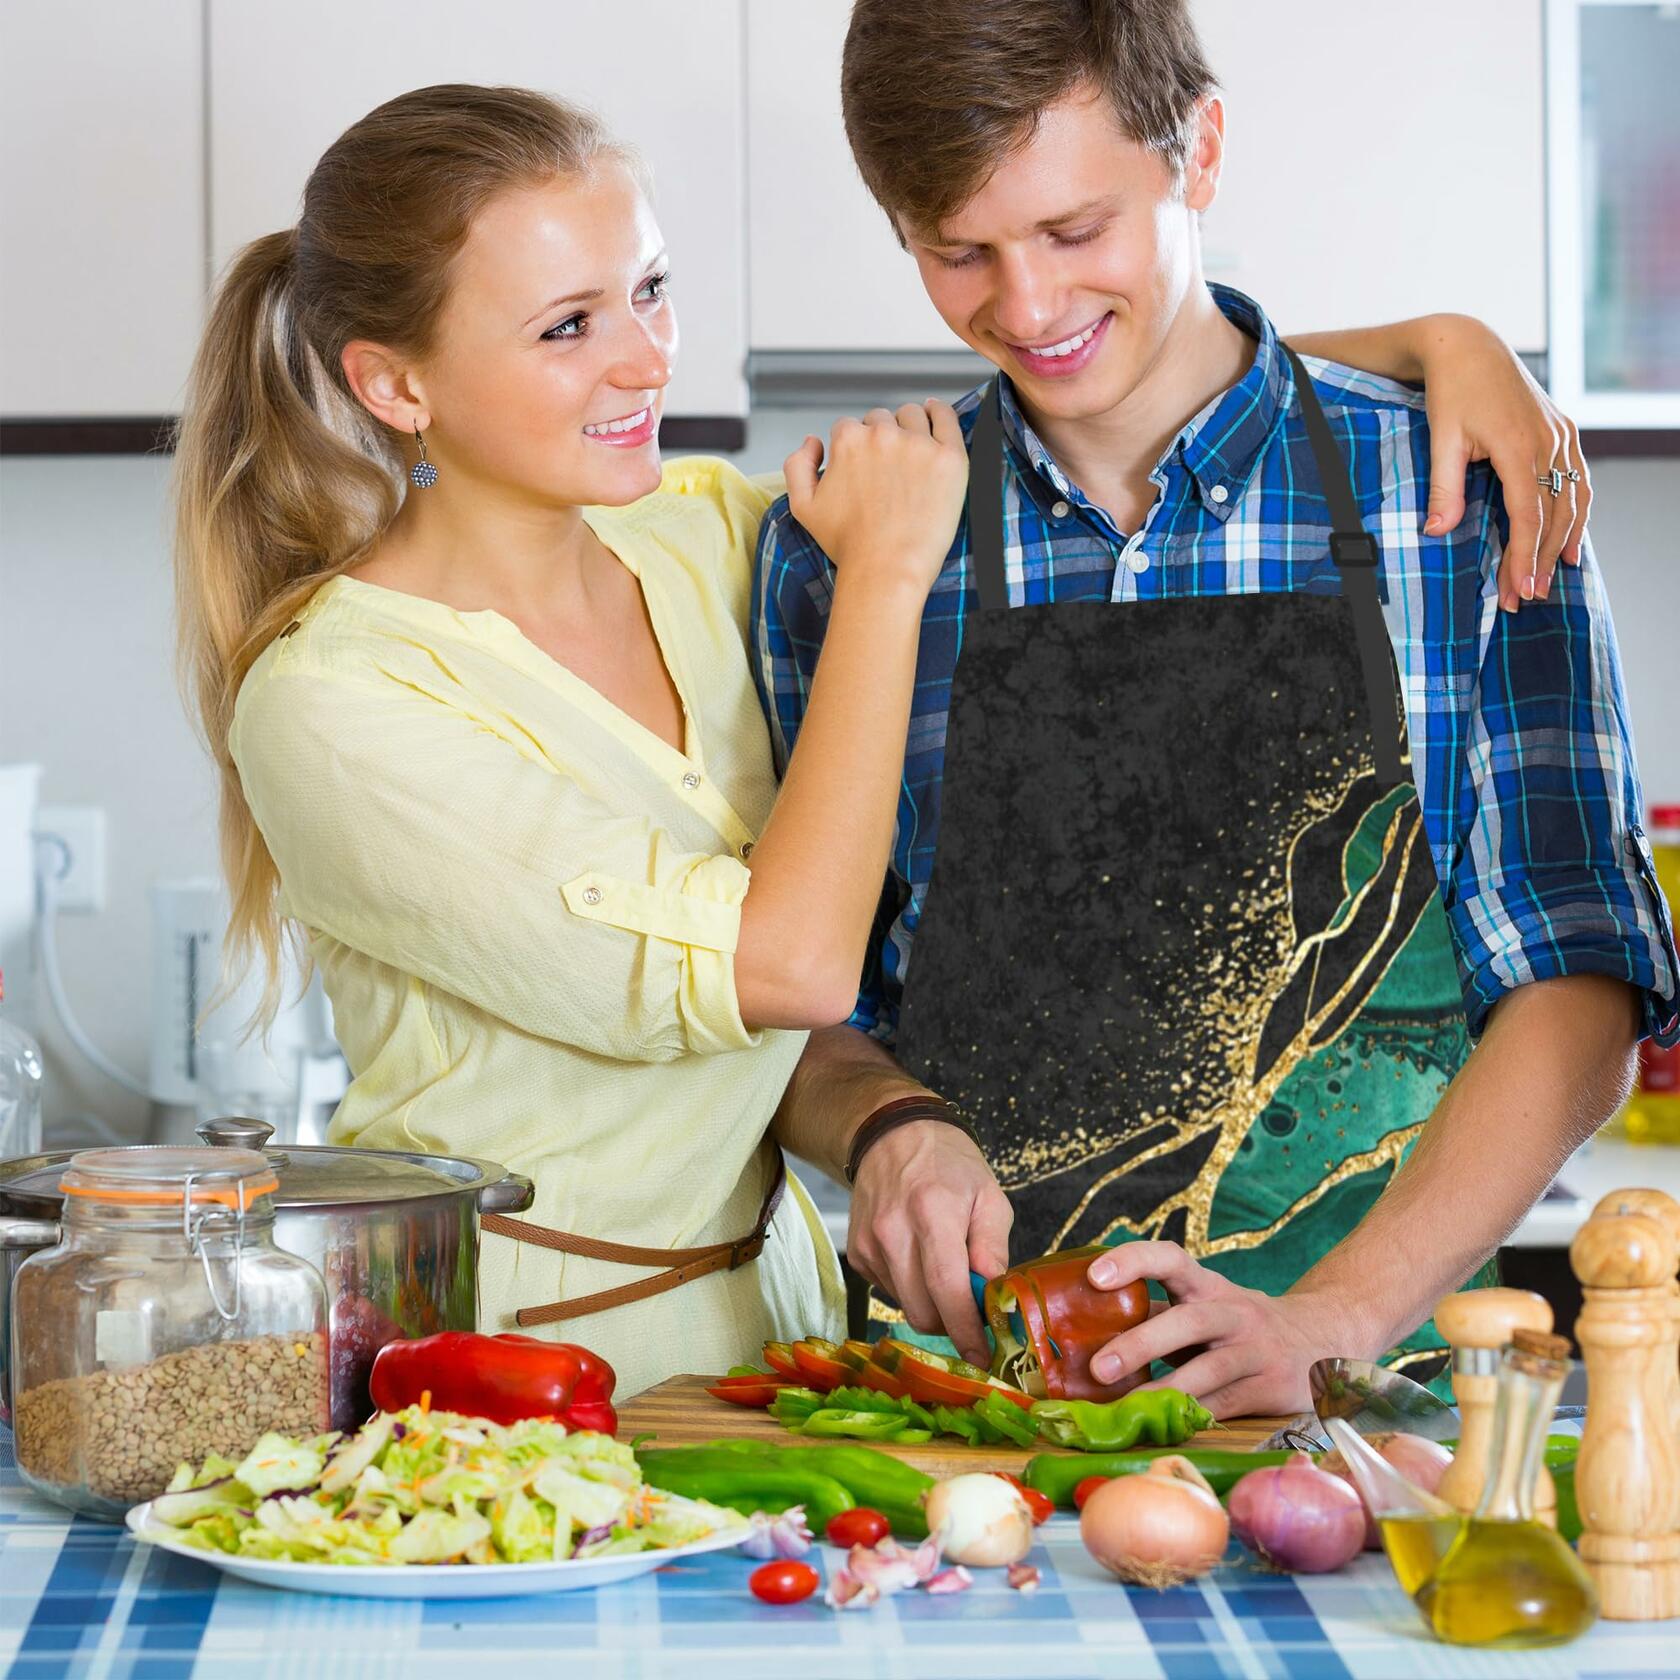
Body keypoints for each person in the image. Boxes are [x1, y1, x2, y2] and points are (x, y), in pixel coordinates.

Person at [755, 0, 1680, 1415]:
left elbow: (1578, 978)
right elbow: (787, 1003)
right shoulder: (847, 551)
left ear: (1202, 151)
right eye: (958, 252)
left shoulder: (1457, 492)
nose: (1030, 307)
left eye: (1076, 232)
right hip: (958, 1436)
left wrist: (1333, 1320)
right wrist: (882, 1128)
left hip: (1387, 1416)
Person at [173, 84, 973, 1396]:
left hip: (783, 1335)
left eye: (650, 289)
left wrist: (1408, 349)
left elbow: (1065, 427)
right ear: (394, 381)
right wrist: (883, 583)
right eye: (568, 326)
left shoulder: (702, 533)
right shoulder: (334, 701)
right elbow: (789, 967)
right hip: (505, 1371)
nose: (649, 359)